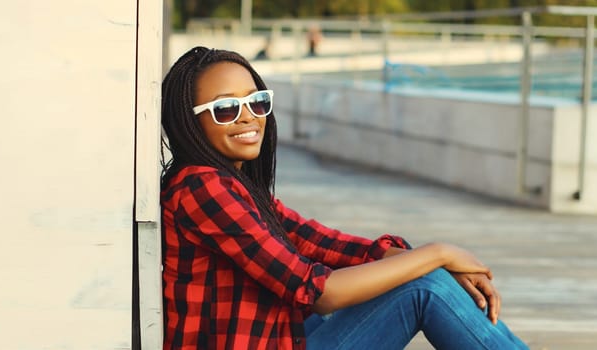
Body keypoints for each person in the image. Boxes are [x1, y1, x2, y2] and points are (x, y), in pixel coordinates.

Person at [160, 46, 529, 350]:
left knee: (423, 276)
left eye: (256, 102)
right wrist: (438, 254)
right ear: (190, 122)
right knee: (423, 286)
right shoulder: (201, 188)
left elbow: (322, 243)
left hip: (282, 338)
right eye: (225, 109)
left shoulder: (236, 189)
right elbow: (316, 290)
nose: (248, 118)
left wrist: (438, 265)